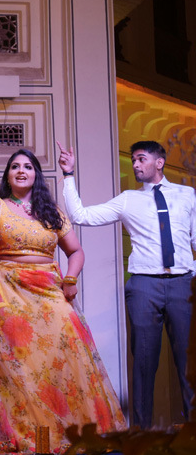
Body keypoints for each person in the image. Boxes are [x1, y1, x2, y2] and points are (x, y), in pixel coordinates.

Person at [0, 141, 125, 453]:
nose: (21, 171)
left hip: (48, 289)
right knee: (16, 363)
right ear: (8, 174)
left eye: (27, 167)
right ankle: (26, 433)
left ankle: (70, 432)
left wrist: (70, 279)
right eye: (15, 166)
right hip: (8, 290)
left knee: (65, 353)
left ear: (36, 175)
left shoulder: (52, 213)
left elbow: (76, 251)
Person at [59, 140, 196, 428]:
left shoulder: (188, 195)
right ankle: (142, 434)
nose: (134, 165)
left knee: (189, 362)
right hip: (145, 285)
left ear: (159, 162)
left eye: (141, 159)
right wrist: (68, 175)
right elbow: (81, 216)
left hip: (184, 283)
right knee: (144, 362)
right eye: (133, 159)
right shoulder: (127, 200)